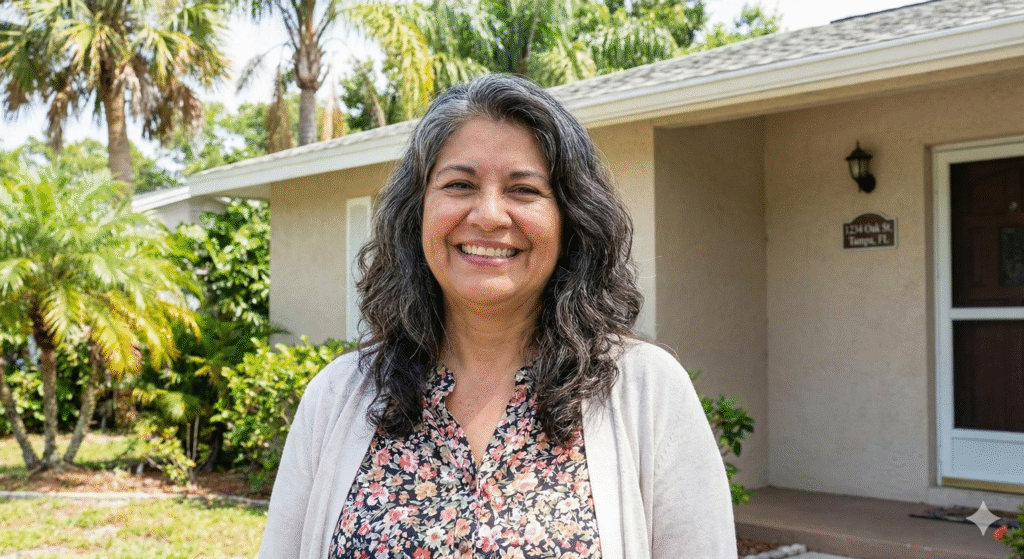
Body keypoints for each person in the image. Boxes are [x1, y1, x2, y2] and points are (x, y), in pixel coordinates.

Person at [258, 73, 736, 559]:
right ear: (417, 211)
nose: (488, 215)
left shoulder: (647, 393)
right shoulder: (339, 397)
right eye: (459, 184)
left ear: (570, 220)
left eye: (524, 190)